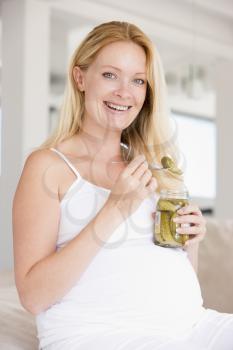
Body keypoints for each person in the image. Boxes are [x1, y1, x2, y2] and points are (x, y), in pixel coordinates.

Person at [12, 21, 233, 350]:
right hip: (102, 335)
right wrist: (114, 209)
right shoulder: (48, 166)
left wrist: (191, 243)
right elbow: (32, 296)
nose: (124, 92)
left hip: (192, 327)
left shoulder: (152, 168)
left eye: (138, 80)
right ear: (80, 77)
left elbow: (174, 276)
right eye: (110, 75)